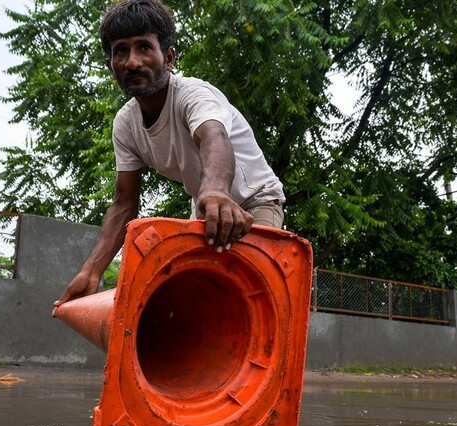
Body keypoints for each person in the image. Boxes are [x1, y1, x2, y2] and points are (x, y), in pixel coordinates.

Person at [54, 0, 285, 308]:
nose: (133, 61)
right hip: (205, 211)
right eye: (121, 51)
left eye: (144, 48)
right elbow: (124, 204)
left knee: (247, 295)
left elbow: (214, 138)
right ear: (111, 66)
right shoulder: (125, 125)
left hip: (255, 202)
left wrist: (215, 191)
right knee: (190, 298)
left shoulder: (193, 94)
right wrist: (91, 271)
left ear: (169, 57)